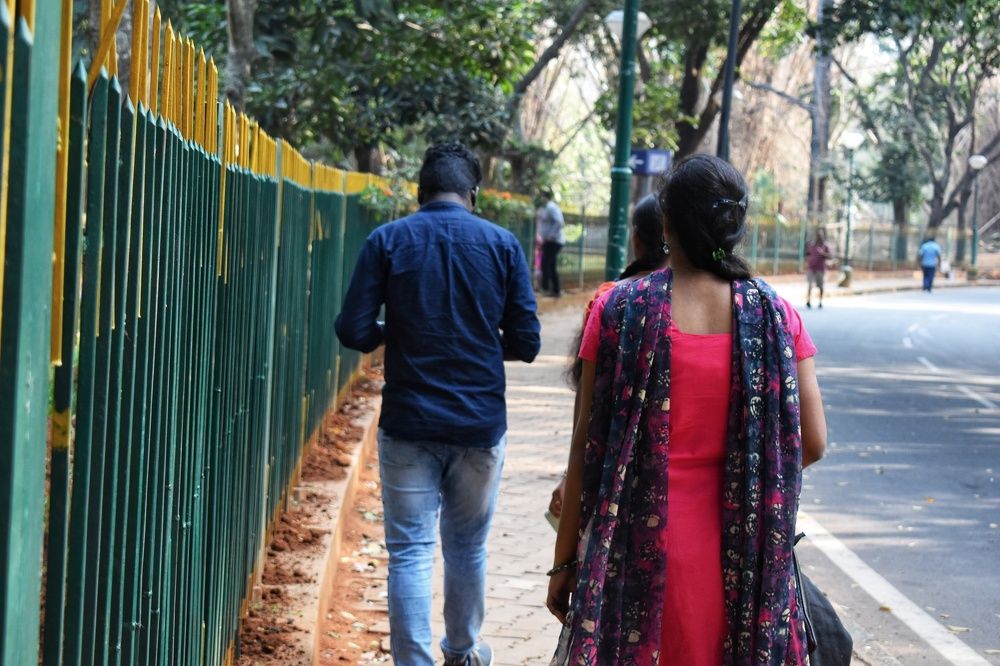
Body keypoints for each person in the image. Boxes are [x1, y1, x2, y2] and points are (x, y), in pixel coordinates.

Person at [546, 155, 827, 665]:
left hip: (635, 553)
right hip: (743, 560)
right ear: (735, 226)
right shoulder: (776, 315)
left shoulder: (620, 309)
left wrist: (564, 562)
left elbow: (585, 450)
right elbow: (813, 443)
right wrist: (749, 480)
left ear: (667, 225)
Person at [335, 142, 541, 666]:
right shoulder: (503, 245)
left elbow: (353, 329)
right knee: (467, 546)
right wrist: (475, 341)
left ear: (419, 192)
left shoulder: (388, 240)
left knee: (409, 551)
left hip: (409, 421)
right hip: (479, 423)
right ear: (474, 195)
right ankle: (463, 652)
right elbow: (527, 342)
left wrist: (401, 333)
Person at [548, 194, 669, 521]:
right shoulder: (714, 304)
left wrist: (569, 476)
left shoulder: (610, 299)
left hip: (610, 465)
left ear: (636, 240)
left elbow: (586, 406)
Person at [538, 188, 565, 297]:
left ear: (545, 197)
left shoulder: (551, 207)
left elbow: (559, 222)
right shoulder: (546, 208)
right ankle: (556, 290)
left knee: (545, 264)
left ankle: (545, 289)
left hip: (554, 241)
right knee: (550, 265)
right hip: (549, 241)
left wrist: (551, 236)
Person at [805, 228, 832, 308]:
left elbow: (830, 256)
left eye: (820, 235)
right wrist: (808, 261)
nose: (819, 236)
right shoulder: (812, 244)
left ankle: (820, 301)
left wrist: (823, 253)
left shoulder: (825, 245)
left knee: (820, 286)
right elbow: (807, 254)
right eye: (817, 235)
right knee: (810, 284)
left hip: (821, 269)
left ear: (823, 236)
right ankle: (808, 301)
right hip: (811, 268)